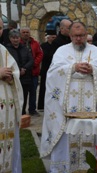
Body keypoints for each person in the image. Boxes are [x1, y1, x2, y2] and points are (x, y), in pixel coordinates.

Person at [40, 22, 97, 172]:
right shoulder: (61, 51)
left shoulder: (96, 52)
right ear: (70, 36)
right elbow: (52, 75)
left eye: (81, 36)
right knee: (67, 142)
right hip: (68, 108)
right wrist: (72, 68)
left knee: (90, 139)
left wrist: (93, 70)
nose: (78, 39)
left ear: (87, 35)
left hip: (91, 107)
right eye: (75, 36)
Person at [0, 18, 24, 173]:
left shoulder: (2, 49)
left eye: (0, 27)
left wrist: (11, 76)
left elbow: (14, 70)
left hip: (5, 109)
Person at [6, 29, 34, 115]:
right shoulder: (6, 49)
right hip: (13, 77)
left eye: (17, 37)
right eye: (13, 38)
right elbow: (8, 61)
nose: (15, 40)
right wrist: (17, 70)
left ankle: (22, 113)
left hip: (25, 77)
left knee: (24, 96)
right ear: (10, 38)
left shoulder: (24, 48)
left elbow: (31, 60)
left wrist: (24, 68)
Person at [20, 27, 43, 116]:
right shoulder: (19, 43)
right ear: (21, 33)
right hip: (24, 73)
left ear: (29, 33)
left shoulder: (35, 43)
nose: (25, 34)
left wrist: (34, 63)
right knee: (23, 93)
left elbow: (40, 54)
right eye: (23, 32)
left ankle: (32, 110)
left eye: (27, 32)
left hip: (33, 72)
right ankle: (22, 111)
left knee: (33, 92)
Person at [37, 30, 57, 110]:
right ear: (48, 38)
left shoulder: (56, 46)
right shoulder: (44, 46)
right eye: (52, 37)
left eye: (55, 37)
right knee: (43, 88)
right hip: (46, 69)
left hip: (54, 69)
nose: (54, 39)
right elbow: (45, 56)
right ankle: (41, 106)